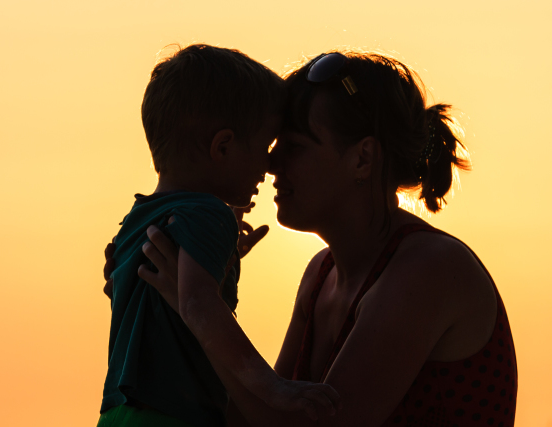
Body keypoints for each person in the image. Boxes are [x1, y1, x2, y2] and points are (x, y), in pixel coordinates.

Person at [133, 50, 517, 426]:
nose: (271, 164)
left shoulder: (429, 268)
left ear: (363, 159)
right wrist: (186, 294)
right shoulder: (322, 274)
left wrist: (197, 307)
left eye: (295, 146)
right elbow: (250, 417)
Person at [97, 44, 341, 427]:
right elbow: (197, 305)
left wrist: (217, 257)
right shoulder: (209, 214)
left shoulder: (140, 218)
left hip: (119, 413)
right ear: (223, 147)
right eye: (265, 146)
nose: (271, 163)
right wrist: (275, 388)